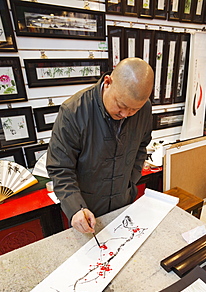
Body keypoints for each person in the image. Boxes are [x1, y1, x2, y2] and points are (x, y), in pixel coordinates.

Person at [46, 57, 154, 234]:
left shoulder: (145, 109)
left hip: (123, 200)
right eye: (121, 105)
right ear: (108, 82)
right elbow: (59, 167)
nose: (126, 114)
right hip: (86, 209)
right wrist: (75, 207)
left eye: (134, 110)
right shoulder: (74, 111)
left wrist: (131, 181)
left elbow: (142, 146)